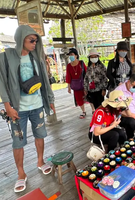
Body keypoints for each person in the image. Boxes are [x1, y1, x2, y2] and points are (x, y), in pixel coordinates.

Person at [0, 25, 55, 193]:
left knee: (40, 135)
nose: (34, 43)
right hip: (17, 109)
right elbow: (1, 82)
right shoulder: (6, 57)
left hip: (37, 105)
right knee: (18, 142)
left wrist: (50, 99)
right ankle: (21, 173)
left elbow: (45, 80)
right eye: (31, 40)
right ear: (20, 39)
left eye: (36, 40)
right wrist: (7, 106)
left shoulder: (36, 56)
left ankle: (40, 161)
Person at [66, 48, 87, 118]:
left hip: (83, 83)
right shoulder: (69, 66)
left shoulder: (81, 63)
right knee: (78, 98)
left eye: (72, 54)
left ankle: (93, 109)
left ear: (76, 55)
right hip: (75, 85)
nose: (70, 56)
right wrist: (69, 87)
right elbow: (68, 76)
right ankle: (83, 111)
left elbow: (86, 73)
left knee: (88, 96)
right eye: (69, 55)